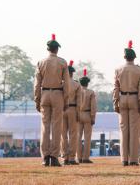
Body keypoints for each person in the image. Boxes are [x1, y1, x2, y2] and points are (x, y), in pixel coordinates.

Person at [34, 34, 71, 167]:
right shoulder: (62, 62)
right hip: (57, 95)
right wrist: (66, 100)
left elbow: (37, 84)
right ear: (57, 49)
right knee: (56, 127)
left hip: (44, 93)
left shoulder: (41, 62)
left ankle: (45, 157)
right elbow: (66, 84)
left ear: (48, 49)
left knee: (45, 127)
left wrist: (37, 100)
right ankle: (54, 157)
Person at [113, 40, 140, 166]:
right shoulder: (139, 70)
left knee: (123, 130)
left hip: (122, 98)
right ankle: (133, 159)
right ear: (134, 57)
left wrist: (115, 102)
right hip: (134, 99)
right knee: (134, 130)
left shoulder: (118, 69)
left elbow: (115, 88)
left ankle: (124, 159)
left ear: (124, 57)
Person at [61, 60, 81, 165]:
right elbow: (79, 101)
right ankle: (72, 158)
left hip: (62, 110)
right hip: (73, 109)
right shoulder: (76, 85)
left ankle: (64, 157)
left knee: (63, 134)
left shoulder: (61, 84)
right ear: (72, 73)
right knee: (73, 134)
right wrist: (78, 113)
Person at [77, 69, 97, 163]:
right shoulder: (91, 92)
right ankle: (85, 158)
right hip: (88, 114)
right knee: (87, 138)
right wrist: (93, 117)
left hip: (78, 114)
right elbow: (93, 106)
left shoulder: (77, 91)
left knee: (78, 137)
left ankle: (78, 157)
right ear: (87, 83)